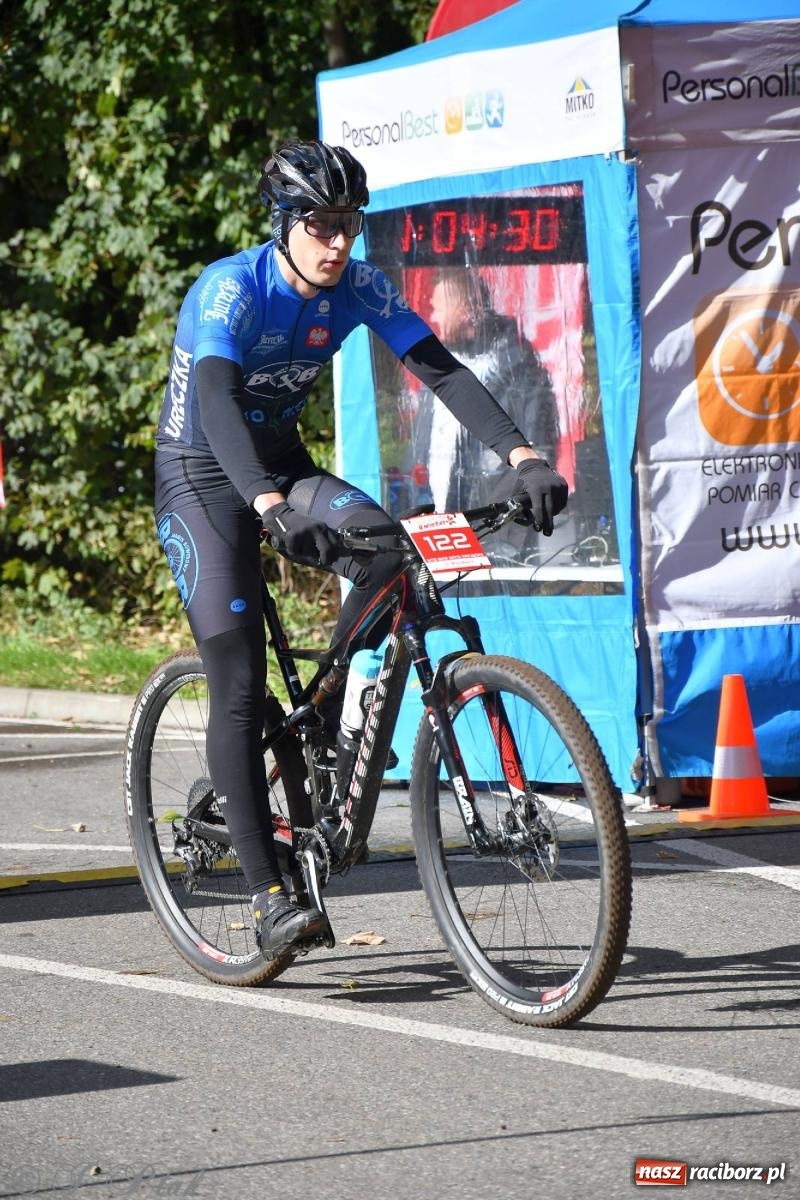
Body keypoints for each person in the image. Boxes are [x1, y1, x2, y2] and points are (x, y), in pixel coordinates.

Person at [154, 140, 568, 962]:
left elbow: (440, 369)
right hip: (203, 473)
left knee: (389, 554)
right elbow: (214, 403)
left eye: (348, 222)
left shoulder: (360, 287)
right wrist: (268, 506)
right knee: (238, 682)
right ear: (284, 224)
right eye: (320, 224)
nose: (339, 241)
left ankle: (324, 721)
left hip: (281, 464)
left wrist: (522, 457)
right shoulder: (232, 290)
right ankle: (270, 895)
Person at [409, 269, 559, 558]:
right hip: (432, 529)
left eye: (440, 308)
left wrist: (487, 531)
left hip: (493, 535)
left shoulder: (521, 373)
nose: (435, 318)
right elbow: (420, 453)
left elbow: (539, 455)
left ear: (466, 311)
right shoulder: (440, 367)